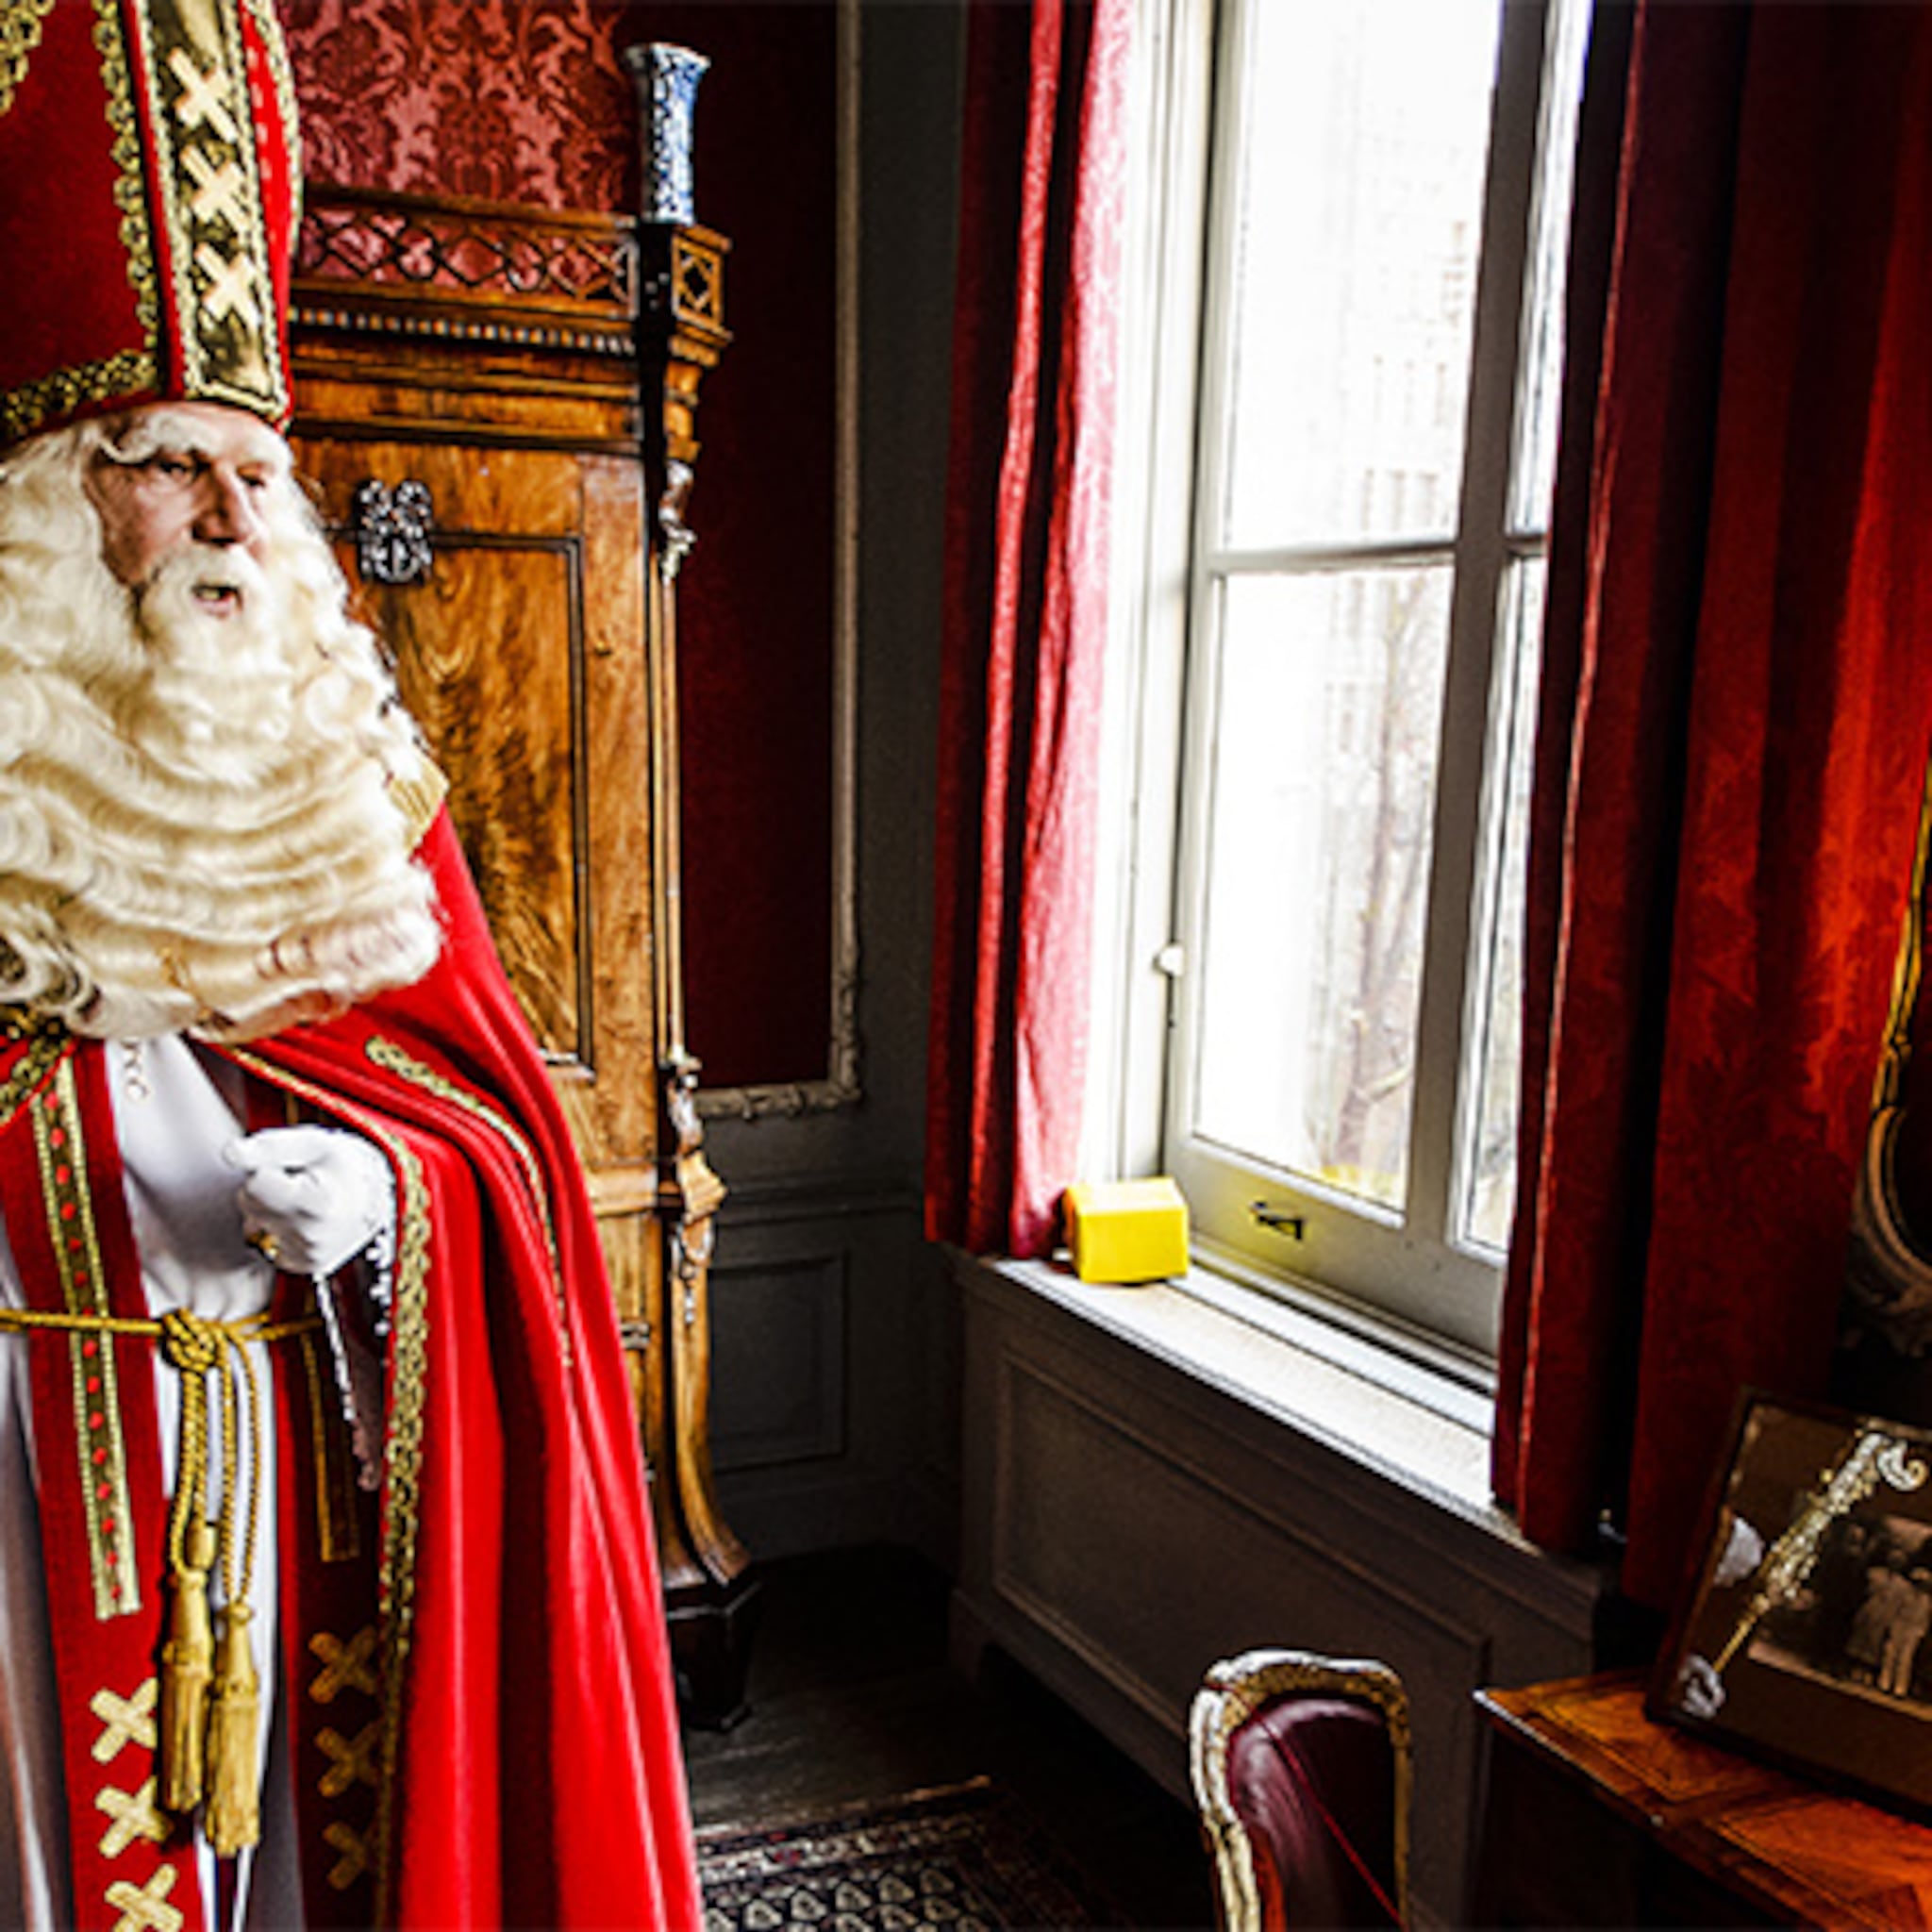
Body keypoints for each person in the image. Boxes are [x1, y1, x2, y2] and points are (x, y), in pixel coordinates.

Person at [0, 2, 702, 1926]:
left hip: (301, 1512)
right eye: (169, 462)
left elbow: (494, 1144)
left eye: (255, 468)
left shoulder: (343, 774)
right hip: (20, 1504)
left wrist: (392, 1195)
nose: (237, 519)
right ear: (49, 503)